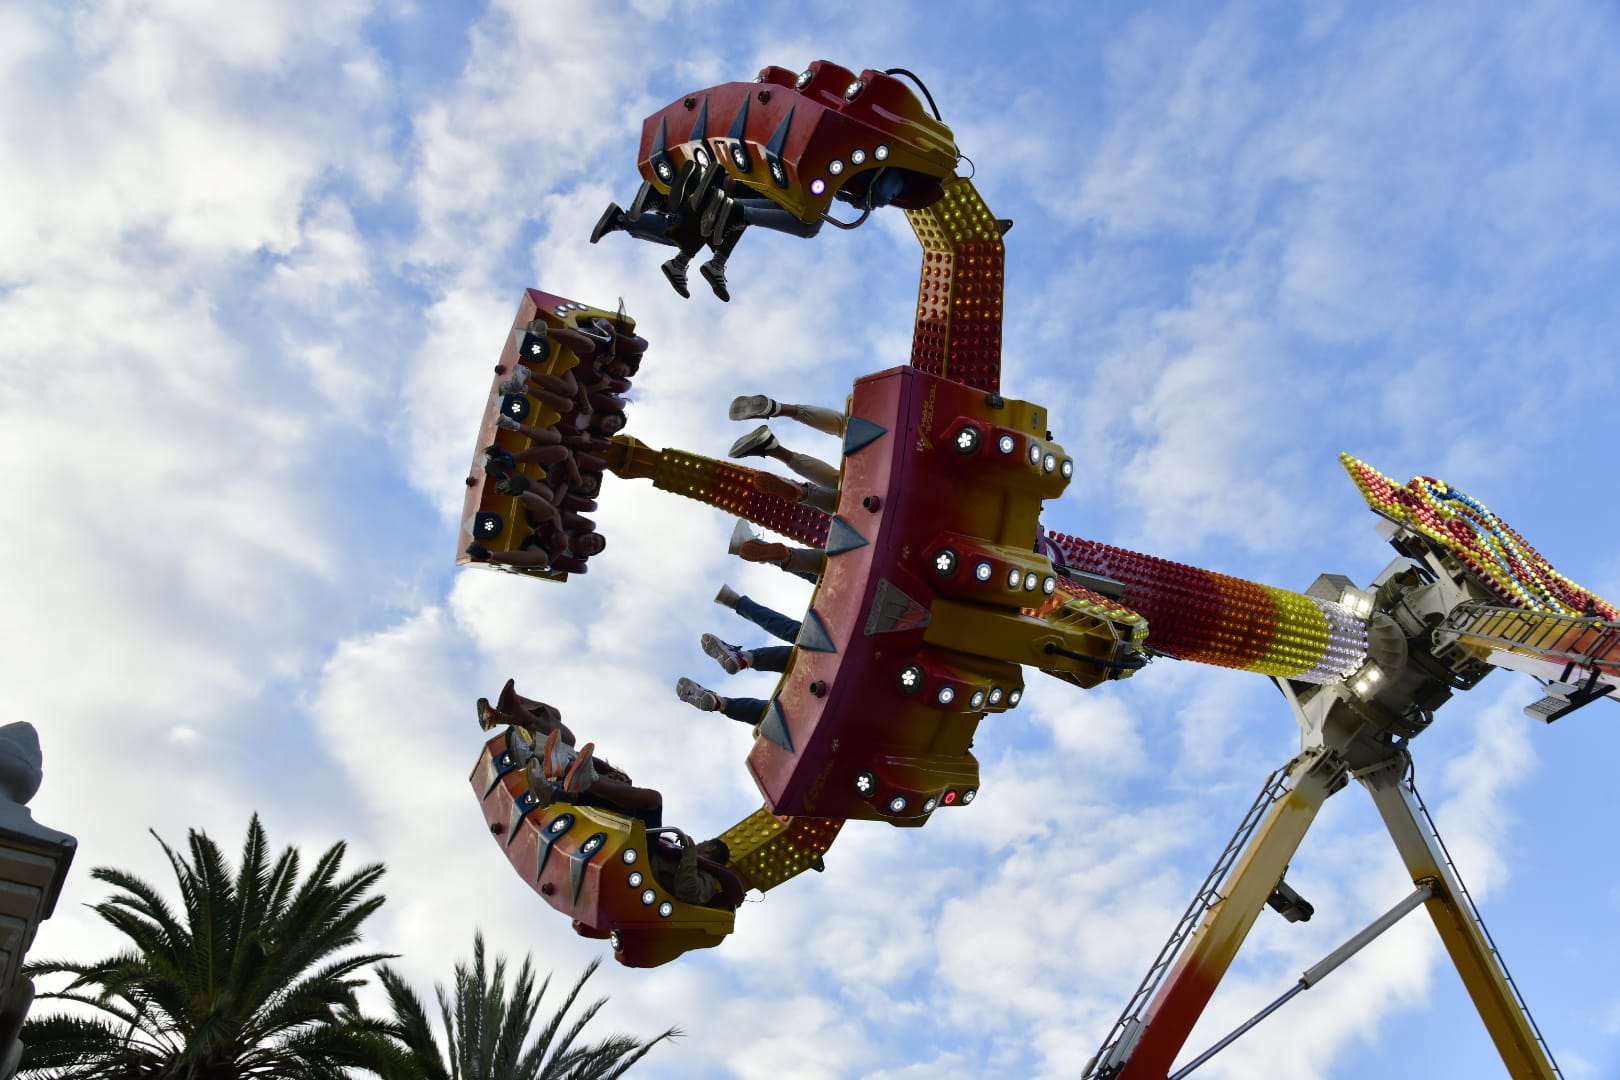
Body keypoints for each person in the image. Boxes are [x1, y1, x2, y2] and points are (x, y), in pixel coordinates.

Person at [648, 831, 734, 909]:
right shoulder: (685, 858)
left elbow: (687, 890)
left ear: (710, 848)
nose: (699, 844)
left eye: (703, 842)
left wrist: (690, 850)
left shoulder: (708, 880)